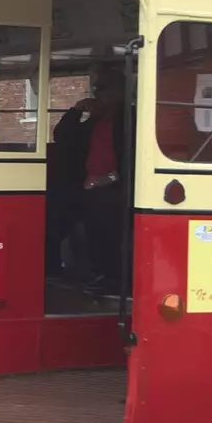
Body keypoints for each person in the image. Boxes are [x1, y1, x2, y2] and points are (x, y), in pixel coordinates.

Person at [50, 63, 128, 287]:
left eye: (103, 88)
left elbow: (132, 156)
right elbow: (62, 136)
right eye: (96, 89)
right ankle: (60, 270)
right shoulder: (94, 122)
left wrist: (111, 178)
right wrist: (76, 110)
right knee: (58, 212)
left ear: (119, 91)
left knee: (106, 226)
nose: (97, 94)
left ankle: (111, 278)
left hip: (114, 187)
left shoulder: (128, 119)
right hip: (87, 185)